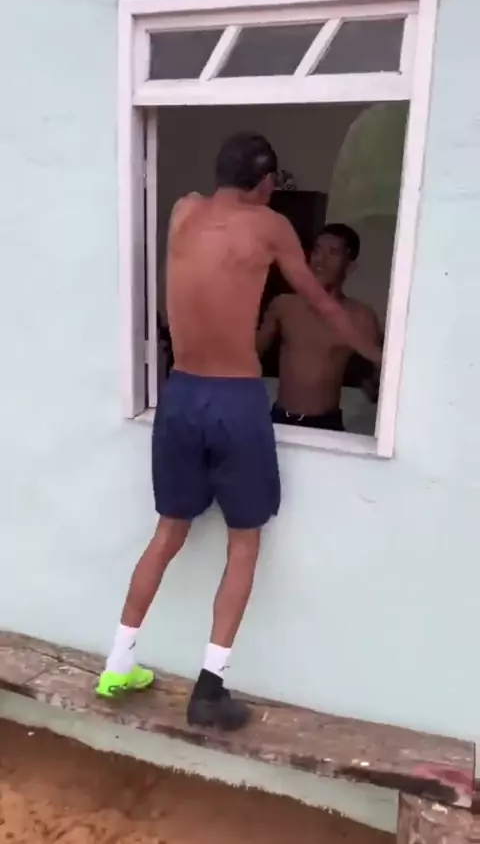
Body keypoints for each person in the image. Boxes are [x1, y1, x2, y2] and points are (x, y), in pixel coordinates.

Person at [95, 134, 382, 731]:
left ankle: (117, 662)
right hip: (233, 397)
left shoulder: (183, 210)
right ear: (266, 182)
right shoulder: (270, 225)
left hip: (180, 394)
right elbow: (322, 304)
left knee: (168, 532)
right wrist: (382, 358)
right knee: (244, 542)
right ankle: (210, 688)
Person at [257, 224, 383, 432]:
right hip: (280, 418)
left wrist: (375, 382)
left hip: (325, 423)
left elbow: (378, 382)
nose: (319, 260)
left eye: (332, 252)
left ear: (350, 266)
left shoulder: (360, 317)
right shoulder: (284, 305)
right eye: (316, 250)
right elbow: (252, 355)